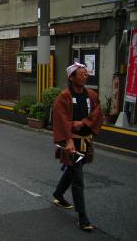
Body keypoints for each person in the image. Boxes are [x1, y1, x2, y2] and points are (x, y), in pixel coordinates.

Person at [52, 62, 103, 231]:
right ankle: (83, 218)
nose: (85, 76)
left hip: (85, 141)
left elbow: (97, 113)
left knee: (74, 169)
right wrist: (68, 141)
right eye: (81, 74)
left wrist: (83, 123)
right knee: (78, 178)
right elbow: (61, 119)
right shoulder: (64, 96)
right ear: (71, 77)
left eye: (85, 73)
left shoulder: (91, 95)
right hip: (71, 142)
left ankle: (58, 194)